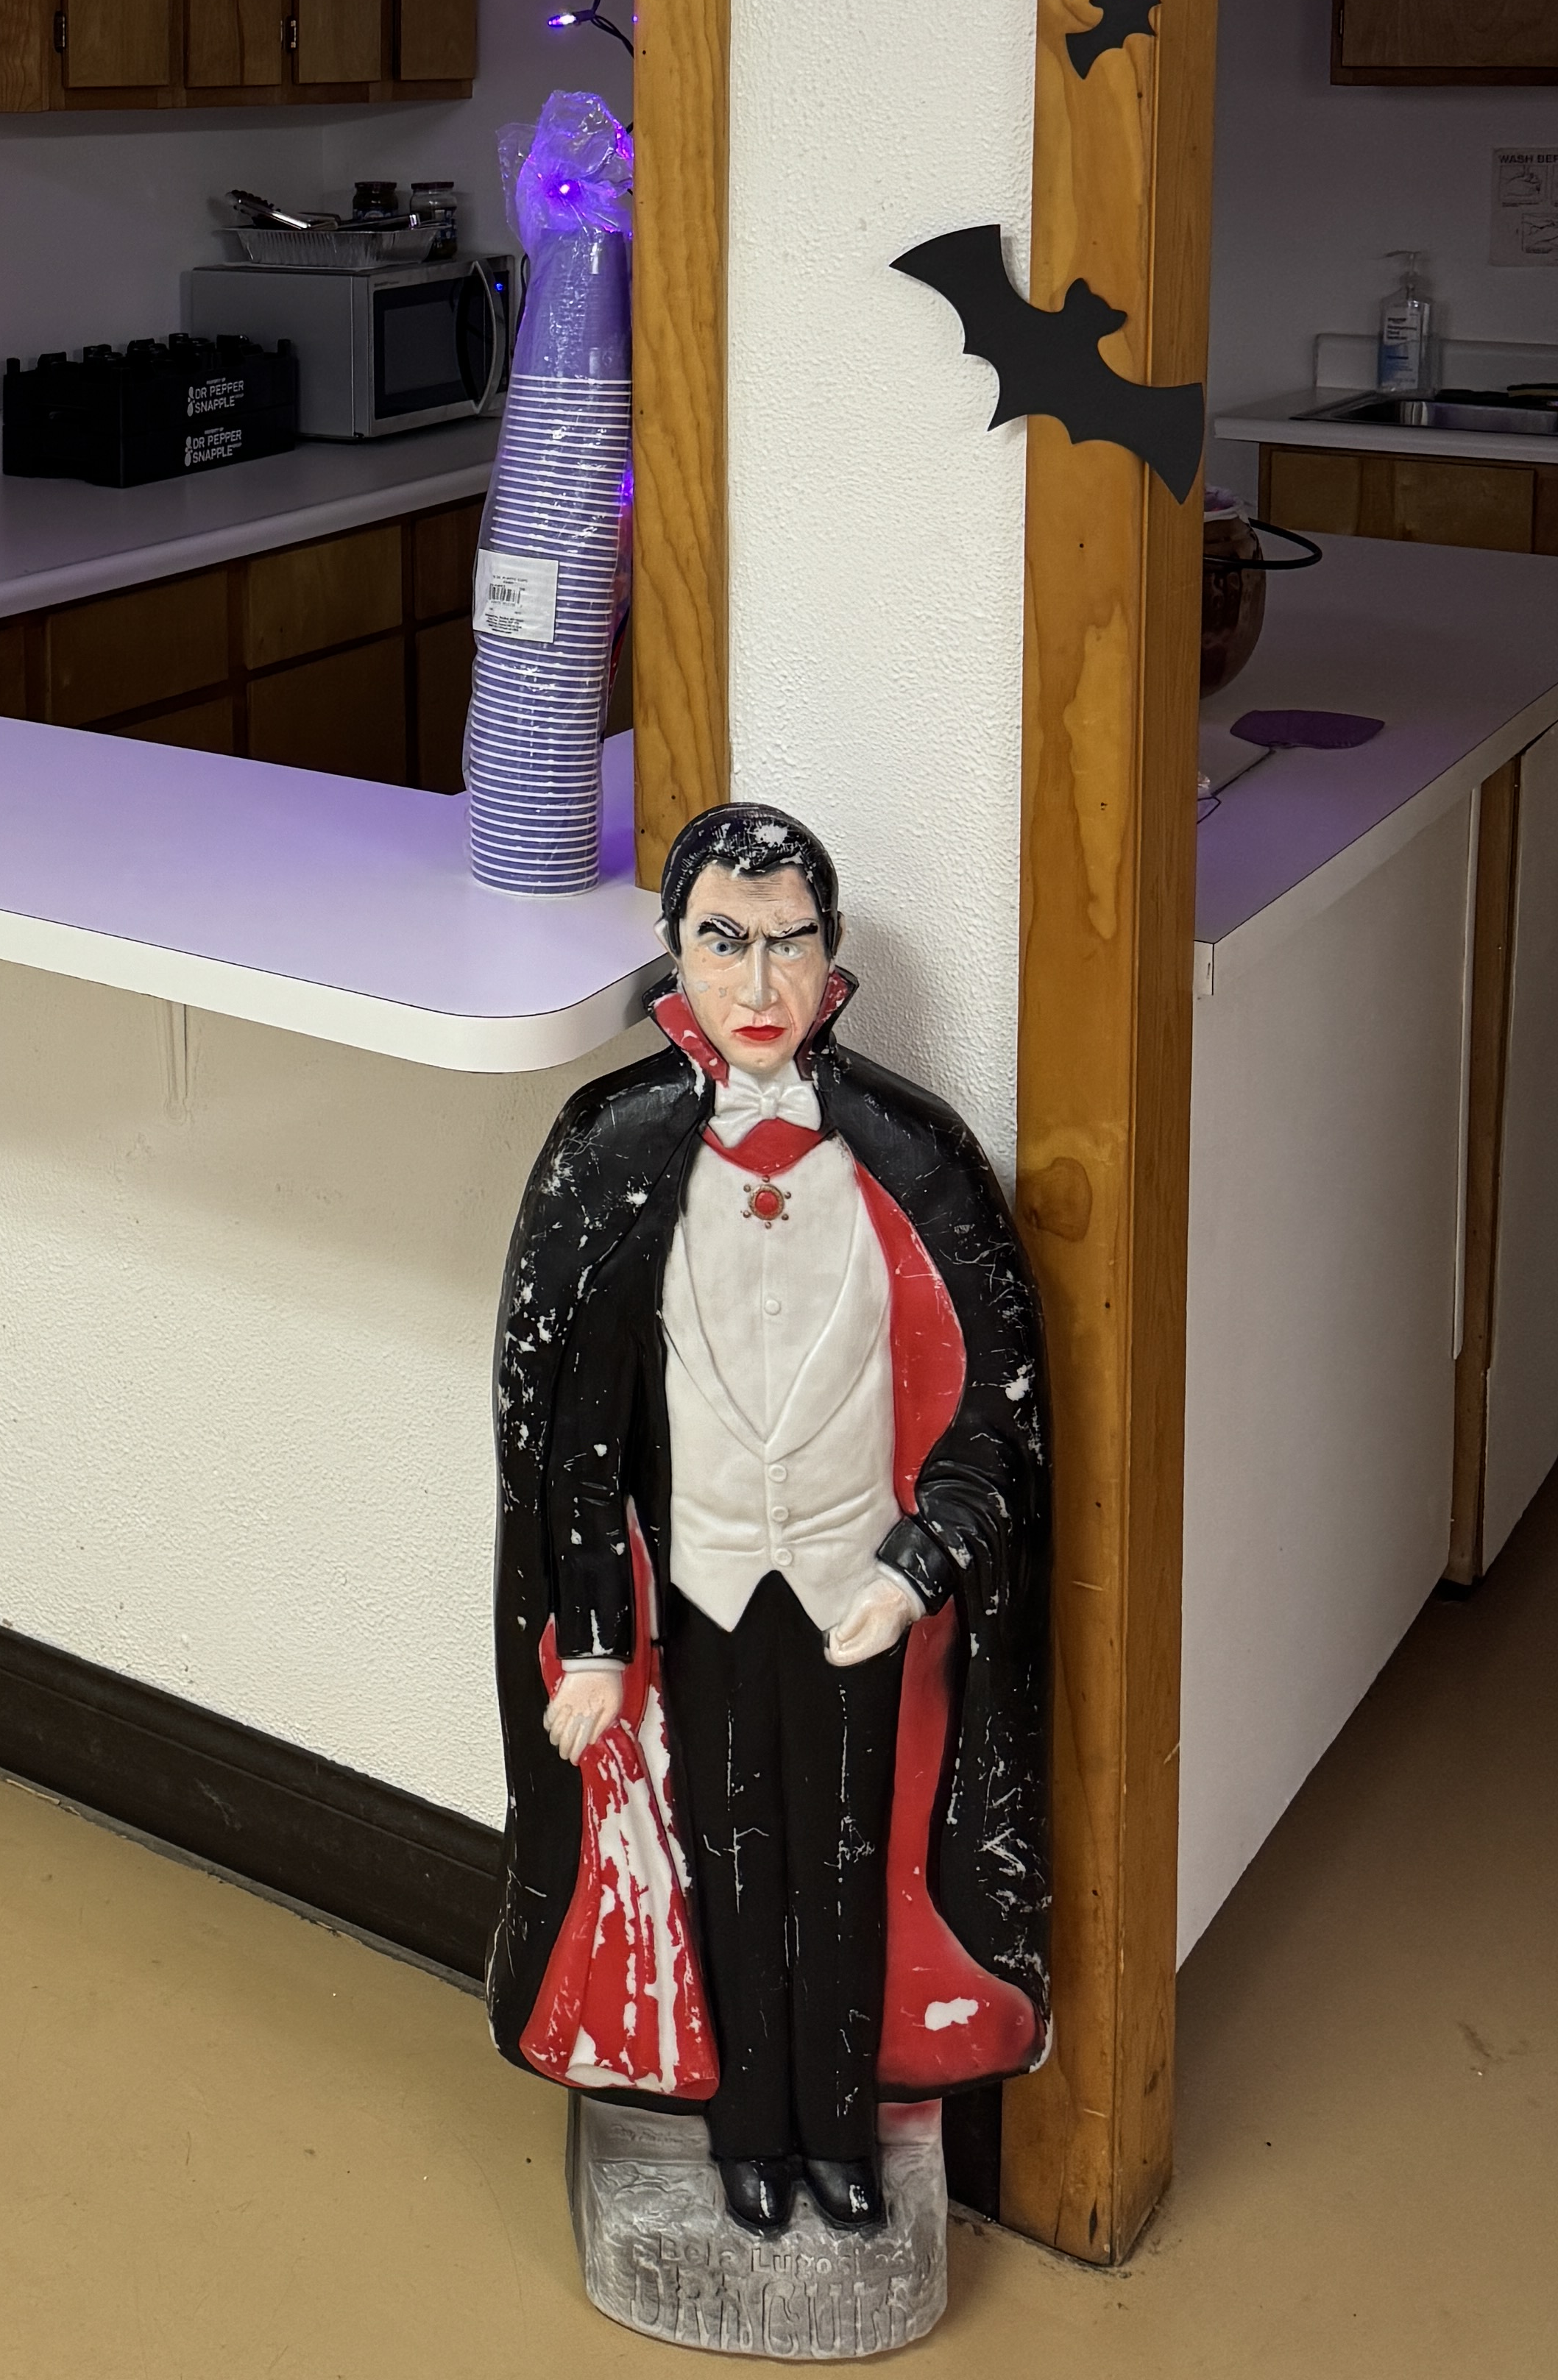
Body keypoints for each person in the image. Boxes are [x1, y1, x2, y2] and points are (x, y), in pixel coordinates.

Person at [486, 804, 1049, 2242]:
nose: (756, 984)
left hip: (857, 1580)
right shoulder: (613, 1152)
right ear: (674, 953)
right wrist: (596, 1643)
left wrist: (918, 1569)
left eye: (787, 943)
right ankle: (747, 2132)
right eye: (723, 943)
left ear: (831, 954)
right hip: (706, 1585)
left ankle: (840, 2131)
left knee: (853, 1863)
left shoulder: (911, 1155)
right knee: (728, 1858)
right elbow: (571, 1433)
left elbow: (991, 1402)